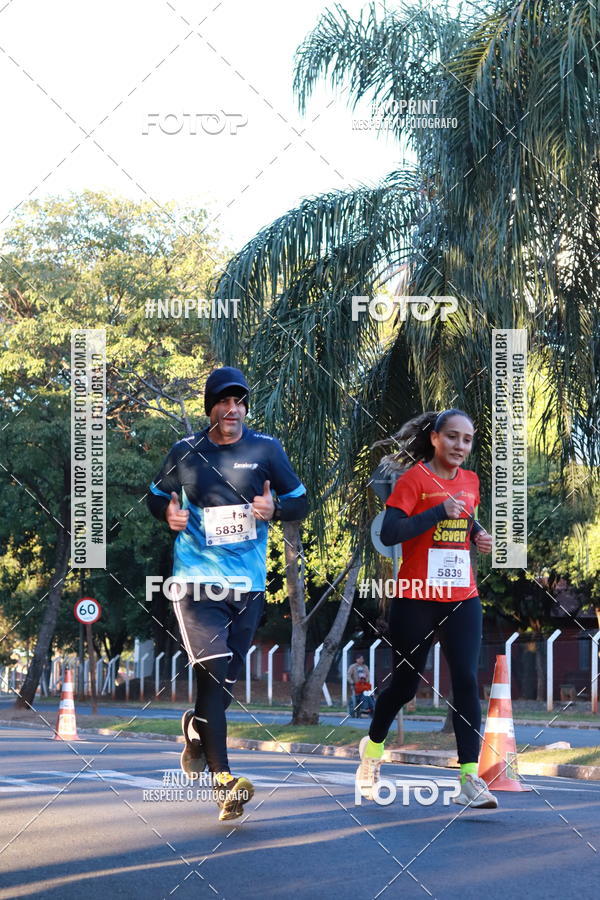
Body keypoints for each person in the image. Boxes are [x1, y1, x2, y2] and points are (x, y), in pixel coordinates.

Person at [147, 366, 307, 820]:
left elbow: (302, 500)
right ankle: (224, 782)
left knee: (224, 685)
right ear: (210, 408)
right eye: (223, 401)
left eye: (239, 401)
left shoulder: (266, 449)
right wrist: (168, 514)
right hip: (196, 581)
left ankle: (196, 730)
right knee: (213, 675)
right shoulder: (186, 451)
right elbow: (156, 495)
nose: (232, 409)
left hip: (248, 584)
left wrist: (276, 507)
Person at [356, 408, 498, 809]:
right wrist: (437, 511)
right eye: (452, 437)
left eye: (467, 439)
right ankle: (373, 749)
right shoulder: (414, 480)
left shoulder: (471, 481)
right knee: (405, 685)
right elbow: (390, 532)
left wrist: (479, 534)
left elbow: (464, 520)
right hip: (416, 595)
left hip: (461, 595)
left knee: (466, 679)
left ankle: (469, 778)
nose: (460, 445)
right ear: (435, 438)